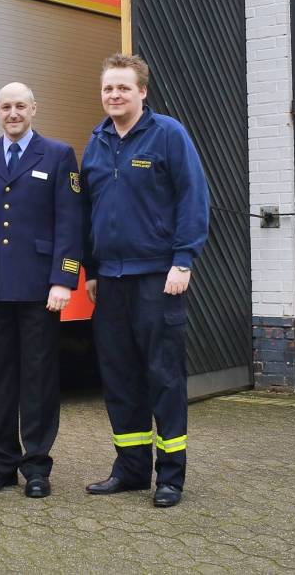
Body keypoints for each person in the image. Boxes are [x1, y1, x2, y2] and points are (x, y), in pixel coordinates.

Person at [80, 54, 209, 509]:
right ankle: (131, 470)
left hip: (157, 277)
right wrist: (92, 271)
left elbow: (193, 197)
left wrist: (183, 260)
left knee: (163, 377)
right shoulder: (95, 142)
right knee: (120, 378)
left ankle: (170, 476)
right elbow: (88, 213)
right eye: (108, 89)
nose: (114, 95)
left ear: (142, 92)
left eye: (123, 88)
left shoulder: (168, 134)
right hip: (110, 281)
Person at [0, 82, 81, 499]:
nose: (13, 113)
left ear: (34, 108)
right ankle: (1, 464)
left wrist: (63, 279)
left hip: (39, 288)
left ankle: (36, 466)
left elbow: (69, 221)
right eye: (6, 107)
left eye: (20, 106)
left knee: (38, 379)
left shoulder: (57, 155)